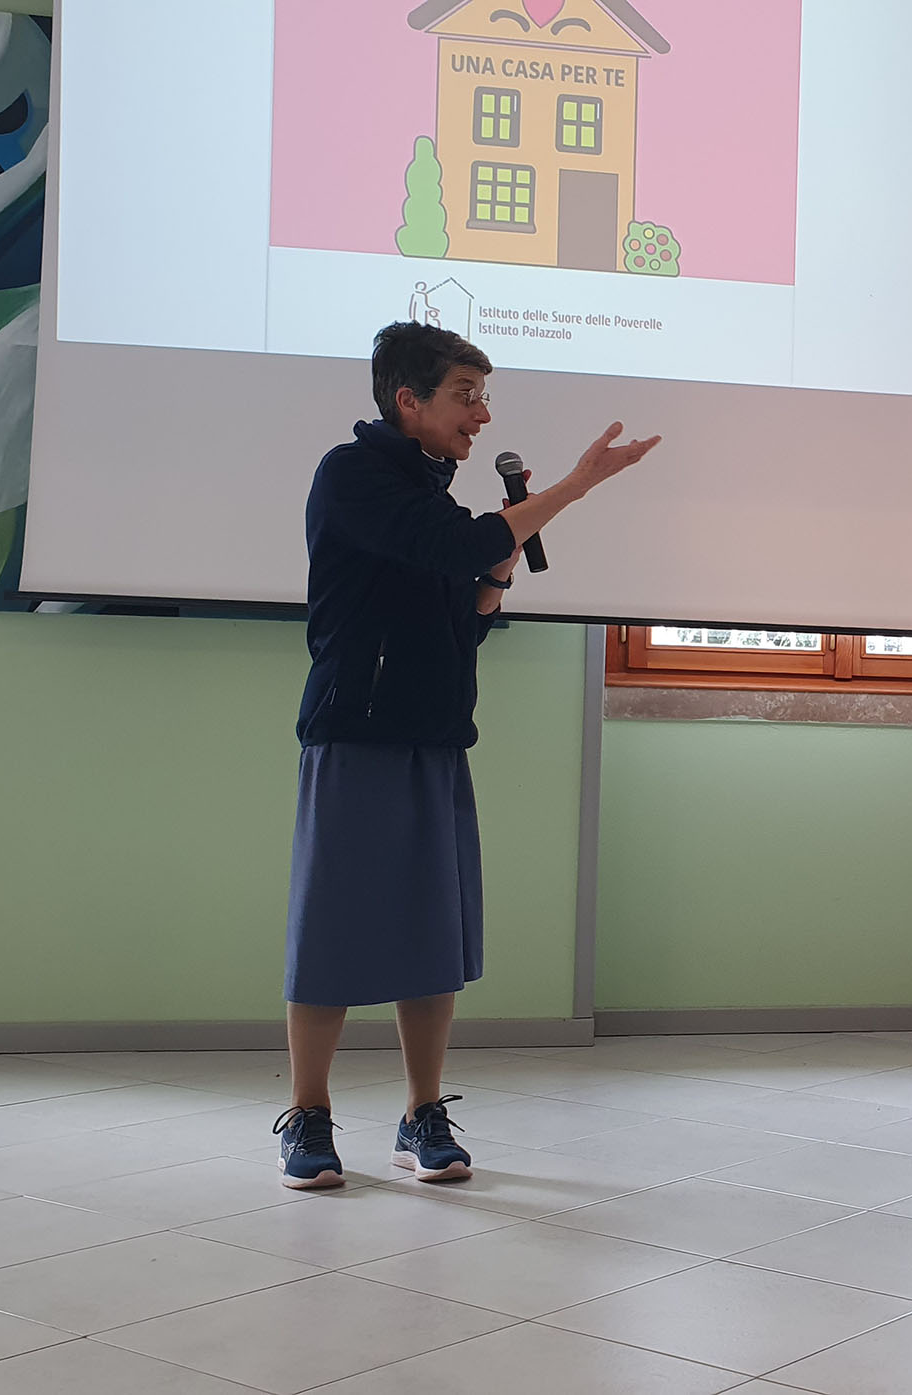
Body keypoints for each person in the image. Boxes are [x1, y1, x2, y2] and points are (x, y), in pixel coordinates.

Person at [274, 321, 658, 1188]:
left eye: (484, 398)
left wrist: (496, 572)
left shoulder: (438, 495)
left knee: (431, 932)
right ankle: (309, 1115)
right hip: (353, 733)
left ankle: (421, 1114)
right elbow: (448, 546)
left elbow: (464, 618)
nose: (482, 415)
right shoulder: (352, 475)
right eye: (466, 396)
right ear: (408, 401)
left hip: (435, 736)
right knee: (333, 929)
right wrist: (572, 487)